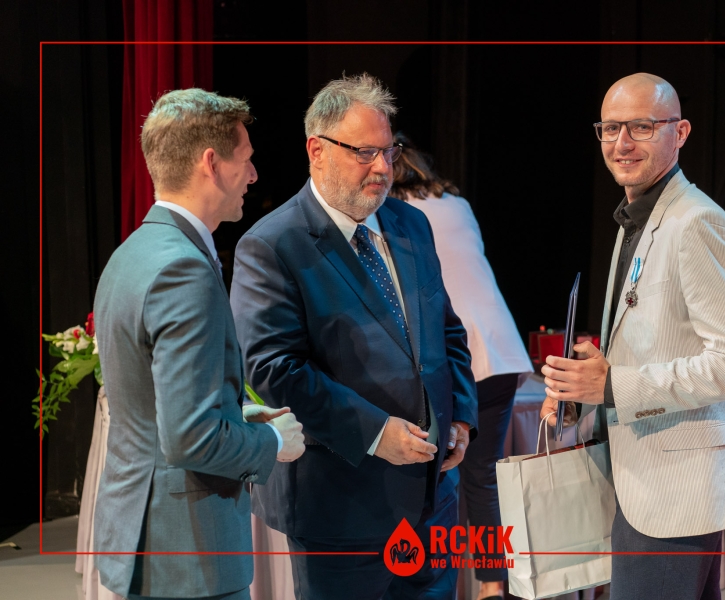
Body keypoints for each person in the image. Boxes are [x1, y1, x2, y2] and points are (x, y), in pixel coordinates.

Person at [229, 74, 478, 600]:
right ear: (316, 150)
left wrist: (460, 415)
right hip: (340, 508)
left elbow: (447, 332)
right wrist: (375, 432)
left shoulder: (411, 224)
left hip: (433, 499)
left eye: (389, 152)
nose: (384, 168)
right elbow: (272, 369)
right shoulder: (272, 244)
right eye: (365, 153)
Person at [540, 73, 725, 600]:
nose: (622, 143)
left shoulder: (698, 222)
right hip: (644, 475)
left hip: (677, 487)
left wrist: (613, 385)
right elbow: (659, 339)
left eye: (641, 127)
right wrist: (587, 382)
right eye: (611, 128)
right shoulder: (637, 217)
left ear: (680, 132)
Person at [92, 89, 306, 600]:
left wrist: (237, 414)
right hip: (187, 557)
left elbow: (153, 405)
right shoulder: (184, 269)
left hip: (148, 539)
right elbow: (189, 438)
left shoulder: (132, 252)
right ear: (211, 163)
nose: (253, 176)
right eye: (246, 159)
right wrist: (273, 443)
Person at [390, 133, 533, 600]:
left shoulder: (393, 213)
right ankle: (492, 587)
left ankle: (435, 584)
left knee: (441, 475)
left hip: (454, 352)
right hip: (501, 347)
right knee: (483, 475)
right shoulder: (457, 203)